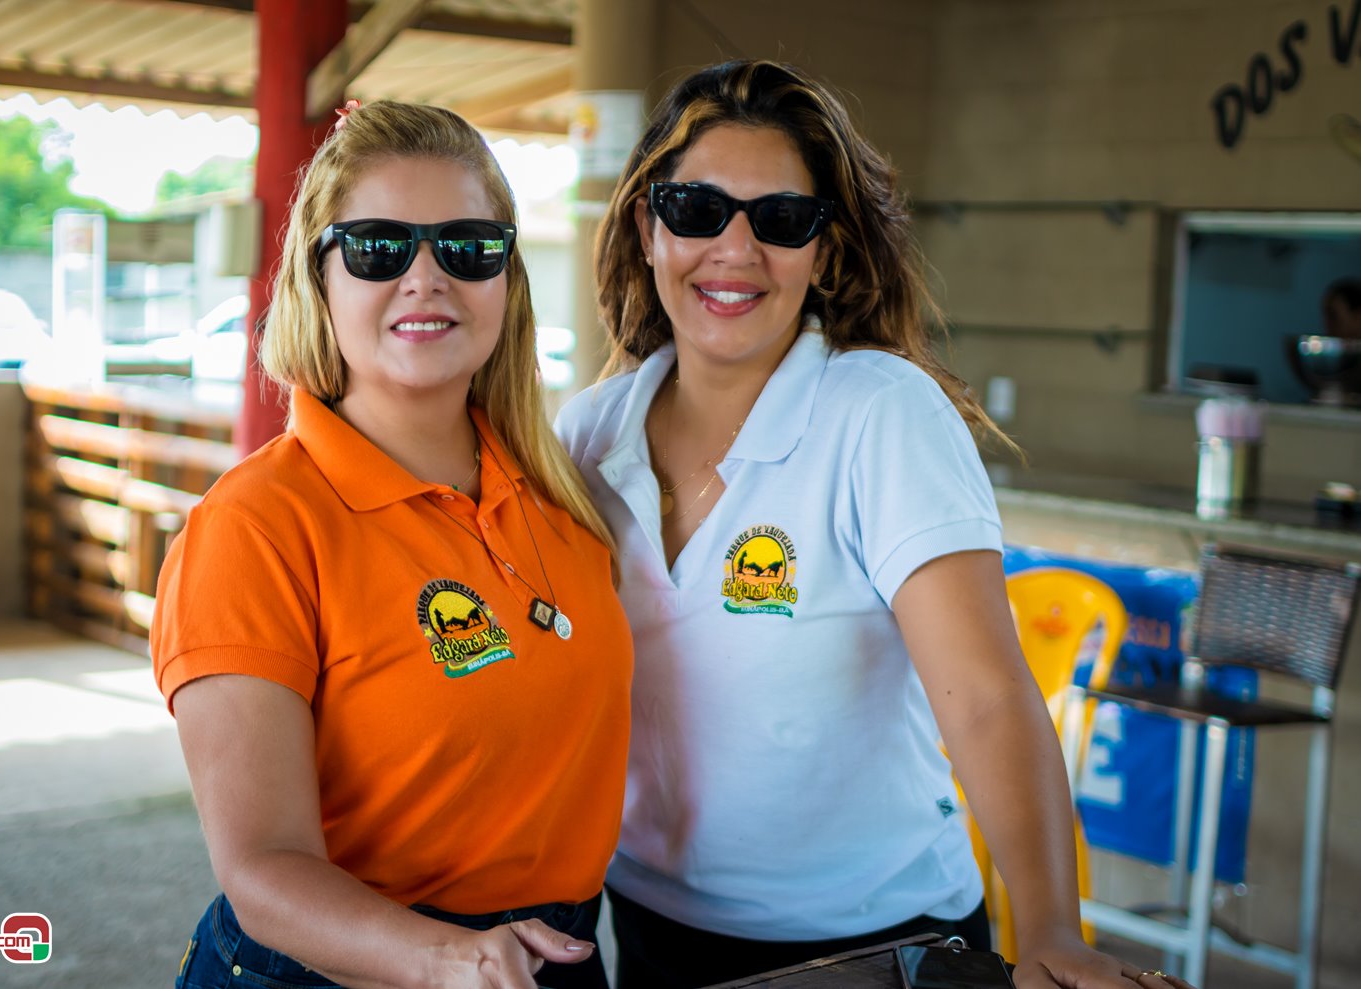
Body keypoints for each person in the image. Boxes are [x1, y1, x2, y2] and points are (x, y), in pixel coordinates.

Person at [555, 60, 1198, 989]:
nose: (734, 250)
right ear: (648, 225)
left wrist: (1054, 926)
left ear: (824, 249)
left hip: (873, 948)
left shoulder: (881, 413)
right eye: (696, 208)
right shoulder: (587, 433)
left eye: (781, 220)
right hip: (646, 929)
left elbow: (983, 693)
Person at [152, 99, 632, 989]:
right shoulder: (254, 526)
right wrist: (450, 958)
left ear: (506, 279)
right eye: (378, 247)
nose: (426, 278)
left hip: (548, 962)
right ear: (317, 277)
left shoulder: (564, 500)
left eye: (466, 247)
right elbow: (261, 868)